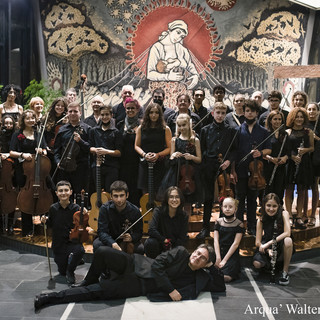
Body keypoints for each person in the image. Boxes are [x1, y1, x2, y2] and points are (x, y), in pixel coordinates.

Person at [34, 244, 226, 310]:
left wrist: (215, 264)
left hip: (137, 284)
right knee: (102, 251)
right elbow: (158, 264)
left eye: (203, 258)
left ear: (206, 264)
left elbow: (220, 286)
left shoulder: (199, 278)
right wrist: (170, 290)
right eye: (198, 252)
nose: (197, 256)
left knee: (97, 292)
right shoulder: (182, 252)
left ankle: (49, 298)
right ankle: (89, 278)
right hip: (136, 264)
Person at [197, 102, 237, 239]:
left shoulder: (231, 130)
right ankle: (205, 228)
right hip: (208, 167)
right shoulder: (205, 130)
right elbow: (201, 150)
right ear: (213, 113)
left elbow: (234, 151)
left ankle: (222, 227)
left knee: (223, 199)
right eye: (217, 113)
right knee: (208, 199)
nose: (220, 116)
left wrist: (228, 161)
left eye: (222, 113)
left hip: (223, 169)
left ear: (225, 114)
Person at [232, 100, 271, 235]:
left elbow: (269, 150)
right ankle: (238, 226)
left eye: (252, 111)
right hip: (240, 170)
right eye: (247, 111)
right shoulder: (237, 130)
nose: (249, 113)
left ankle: (252, 226)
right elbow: (233, 152)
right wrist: (232, 171)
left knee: (252, 200)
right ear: (244, 112)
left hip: (256, 171)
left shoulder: (263, 131)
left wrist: (261, 153)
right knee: (239, 198)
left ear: (257, 113)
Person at [9, 109, 48, 236]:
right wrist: (23, 154)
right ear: (23, 120)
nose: (31, 120)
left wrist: (42, 151)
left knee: (49, 189)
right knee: (26, 198)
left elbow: (45, 150)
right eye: (28, 118)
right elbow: (11, 152)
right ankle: (27, 229)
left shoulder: (38, 133)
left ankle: (43, 227)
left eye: (33, 118)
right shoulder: (18, 134)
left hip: (39, 171)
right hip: (24, 170)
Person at [41, 180, 86, 284]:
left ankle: (71, 271)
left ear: (71, 192)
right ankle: (73, 261)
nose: (63, 193)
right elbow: (50, 224)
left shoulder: (76, 208)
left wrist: (84, 215)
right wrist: (44, 220)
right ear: (56, 193)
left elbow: (82, 225)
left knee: (80, 250)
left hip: (72, 241)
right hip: (59, 243)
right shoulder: (53, 208)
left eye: (66, 190)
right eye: (60, 191)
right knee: (62, 272)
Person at [164, 113, 201, 215]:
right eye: (179, 126)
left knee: (188, 202)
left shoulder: (195, 140)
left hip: (190, 174)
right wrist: (174, 154)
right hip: (177, 175)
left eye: (184, 125)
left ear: (189, 125)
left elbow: (199, 159)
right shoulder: (174, 140)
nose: (182, 128)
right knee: (176, 201)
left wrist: (192, 157)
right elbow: (170, 159)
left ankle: (187, 226)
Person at [253, 193, 293, 286]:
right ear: (264, 205)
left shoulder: (284, 213)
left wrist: (269, 243)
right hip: (268, 246)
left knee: (288, 240)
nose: (271, 209)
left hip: (280, 243)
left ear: (278, 206)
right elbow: (257, 242)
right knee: (257, 264)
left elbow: (287, 232)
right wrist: (267, 250)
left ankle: (285, 272)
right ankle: (271, 266)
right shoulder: (261, 219)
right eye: (268, 206)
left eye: (274, 206)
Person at [92, 180, 143, 254]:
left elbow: (139, 232)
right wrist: (112, 243)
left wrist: (132, 237)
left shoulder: (135, 210)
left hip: (126, 241)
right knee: (97, 245)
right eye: (116, 196)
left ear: (127, 195)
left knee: (140, 248)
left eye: (121, 195)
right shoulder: (105, 209)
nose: (119, 200)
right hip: (110, 239)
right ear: (111, 196)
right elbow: (102, 231)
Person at [147, 19, 199, 89]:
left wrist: (196, 75)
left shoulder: (182, 49)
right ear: (170, 30)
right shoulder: (156, 47)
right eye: (178, 32)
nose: (178, 38)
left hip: (180, 88)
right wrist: (168, 77)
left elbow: (190, 65)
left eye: (182, 36)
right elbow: (150, 74)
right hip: (161, 89)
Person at [284, 107, 314, 229]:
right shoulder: (288, 132)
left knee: (302, 191)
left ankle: (299, 216)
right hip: (291, 163)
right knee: (289, 190)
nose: (299, 119)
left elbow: (312, 148)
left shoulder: (308, 132)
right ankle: (289, 216)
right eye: (297, 117)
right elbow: (285, 150)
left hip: (304, 163)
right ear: (292, 118)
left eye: (301, 117)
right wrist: (292, 157)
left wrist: (304, 150)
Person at [54, 102, 91, 195]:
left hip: (81, 167)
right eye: (70, 111)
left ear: (80, 113)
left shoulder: (87, 129)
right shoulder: (62, 130)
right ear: (67, 113)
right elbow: (57, 149)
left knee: (80, 194)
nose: (73, 113)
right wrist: (58, 161)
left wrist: (80, 141)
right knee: (65, 193)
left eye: (75, 111)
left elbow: (90, 148)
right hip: (65, 167)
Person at [135, 103, 172, 196]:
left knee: (159, 193)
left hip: (160, 163)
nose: (154, 115)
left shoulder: (166, 129)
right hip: (144, 162)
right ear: (147, 114)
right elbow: (136, 146)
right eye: (151, 112)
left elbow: (170, 148)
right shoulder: (141, 128)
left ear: (160, 115)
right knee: (145, 193)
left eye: (156, 113)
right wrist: (144, 155)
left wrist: (158, 155)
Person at [145, 186, 188, 259]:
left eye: (177, 197)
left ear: (181, 199)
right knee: (150, 242)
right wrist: (164, 240)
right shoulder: (158, 211)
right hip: (159, 242)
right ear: (167, 199)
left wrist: (172, 248)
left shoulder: (184, 216)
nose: (174, 200)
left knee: (182, 250)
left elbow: (182, 237)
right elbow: (151, 230)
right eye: (171, 197)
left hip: (174, 245)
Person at [89, 105, 122, 193]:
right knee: (98, 192)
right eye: (102, 115)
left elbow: (119, 152)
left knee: (110, 191)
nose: (104, 117)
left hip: (112, 166)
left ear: (111, 115)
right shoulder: (93, 130)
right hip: (97, 165)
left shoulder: (116, 132)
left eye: (107, 114)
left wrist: (106, 151)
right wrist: (96, 150)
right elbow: (90, 147)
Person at [117, 98, 142, 207]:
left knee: (136, 188)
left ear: (137, 110)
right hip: (123, 162)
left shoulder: (142, 125)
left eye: (133, 108)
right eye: (128, 108)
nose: (130, 110)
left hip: (138, 161)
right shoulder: (120, 124)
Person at [214, 197, 244, 282]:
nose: (227, 209)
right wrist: (218, 257)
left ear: (235, 209)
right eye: (225, 206)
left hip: (231, 254)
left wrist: (224, 260)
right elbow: (216, 241)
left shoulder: (239, 224)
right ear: (222, 208)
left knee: (226, 278)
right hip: (219, 251)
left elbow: (235, 244)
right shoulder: (218, 222)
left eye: (230, 207)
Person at [263, 111, 289, 203]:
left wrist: (285, 158)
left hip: (280, 167)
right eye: (275, 119)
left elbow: (288, 151)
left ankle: (278, 212)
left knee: (279, 190)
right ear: (270, 120)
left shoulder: (285, 134)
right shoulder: (265, 134)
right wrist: (271, 159)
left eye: (279, 119)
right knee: (268, 190)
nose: (277, 121)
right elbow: (261, 152)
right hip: (268, 166)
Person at [0, 114, 17, 235]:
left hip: (13, 167)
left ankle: (10, 224)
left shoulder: (16, 135)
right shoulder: (1, 135)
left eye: (10, 123)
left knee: (11, 196)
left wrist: (10, 155)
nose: (8, 125)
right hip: (2, 168)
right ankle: (1, 225)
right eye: (6, 123)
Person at [305, 102, 320, 226]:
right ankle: (303, 214)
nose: (311, 112)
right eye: (309, 109)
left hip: (317, 159)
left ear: (317, 111)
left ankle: (313, 215)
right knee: (303, 187)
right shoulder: (303, 123)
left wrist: (316, 138)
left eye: (314, 109)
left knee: (315, 186)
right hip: (306, 159)